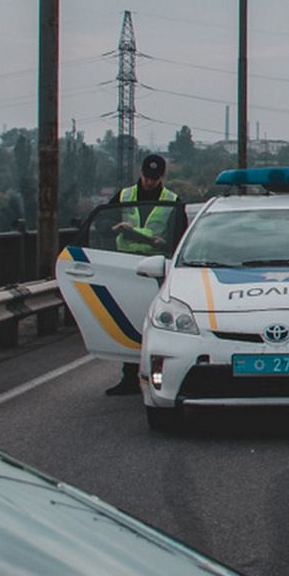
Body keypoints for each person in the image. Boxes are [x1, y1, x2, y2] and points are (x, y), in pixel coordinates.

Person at [104, 153, 178, 396]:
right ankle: (129, 376)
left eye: (154, 179)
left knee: (153, 323)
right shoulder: (125, 196)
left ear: (162, 177)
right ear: (141, 173)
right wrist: (114, 228)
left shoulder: (173, 200)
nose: (149, 182)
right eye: (147, 177)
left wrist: (163, 243)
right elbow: (104, 222)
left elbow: (179, 234)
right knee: (129, 318)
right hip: (127, 265)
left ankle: (155, 374)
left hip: (158, 267)